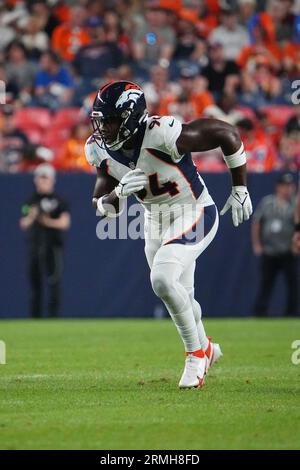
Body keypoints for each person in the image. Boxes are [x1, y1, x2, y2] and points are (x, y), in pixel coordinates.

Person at [85, 81, 253, 388]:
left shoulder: (162, 133)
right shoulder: (98, 149)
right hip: (155, 221)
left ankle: (196, 355)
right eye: (101, 120)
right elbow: (102, 208)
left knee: (161, 280)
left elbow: (227, 134)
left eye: (110, 120)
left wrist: (240, 187)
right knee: (181, 295)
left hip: (194, 211)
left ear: (131, 117)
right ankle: (208, 349)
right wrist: (116, 195)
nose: (103, 128)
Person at [20, 164, 71, 318]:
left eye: (46, 178)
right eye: (40, 178)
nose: (43, 182)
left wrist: (46, 221)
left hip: (53, 247)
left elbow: (65, 223)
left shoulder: (59, 200)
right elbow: (23, 222)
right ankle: (35, 318)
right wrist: (32, 216)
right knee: (35, 284)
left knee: (53, 282)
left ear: (52, 180)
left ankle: (53, 318)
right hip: (35, 246)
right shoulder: (30, 201)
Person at [252, 173, 298, 317]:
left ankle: (292, 313)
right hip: (270, 251)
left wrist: (295, 246)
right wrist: (257, 244)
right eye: (285, 186)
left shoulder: (295, 204)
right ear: (278, 187)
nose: (287, 189)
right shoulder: (268, 202)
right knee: (266, 284)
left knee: (293, 284)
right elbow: (257, 223)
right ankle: (260, 313)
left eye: (290, 186)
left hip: (287, 251)